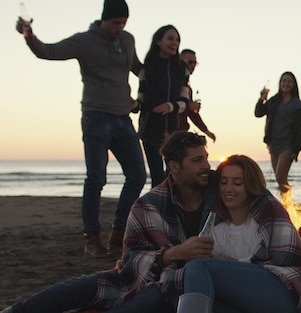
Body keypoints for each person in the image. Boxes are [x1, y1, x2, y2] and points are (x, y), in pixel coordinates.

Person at [1, 131, 216, 313]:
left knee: (155, 294)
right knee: (80, 287)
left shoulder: (222, 193)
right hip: (144, 277)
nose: (206, 166)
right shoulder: (149, 205)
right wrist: (176, 253)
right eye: (197, 160)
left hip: (178, 285)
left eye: (206, 158)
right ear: (175, 167)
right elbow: (131, 260)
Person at [15, 0, 146, 258]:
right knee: (96, 178)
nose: (120, 27)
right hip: (96, 117)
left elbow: (139, 68)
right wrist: (29, 35)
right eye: (116, 23)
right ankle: (92, 240)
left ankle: (118, 235)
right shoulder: (84, 41)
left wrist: (141, 96)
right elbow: (47, 51)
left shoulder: (128, 39)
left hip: (123, 118)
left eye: (124, 23)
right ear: (104, 20)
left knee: (138, 175)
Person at [177, 154, 301, 313]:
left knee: (199, 267)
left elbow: (288, 256)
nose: (228, 189)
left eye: (237, 183)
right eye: (223, 182)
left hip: (283, 293)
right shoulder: (216, 231)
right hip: (246, 300)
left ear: (250, 186)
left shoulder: (268, 216)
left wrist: (232, 264)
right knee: (212, 304)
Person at [137, 25, 190, 188]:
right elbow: (142, 97)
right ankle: (158, 211)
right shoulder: (148, 67)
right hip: (151, 129)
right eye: (170, 38)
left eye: (177, 40)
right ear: (158, 41)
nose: (174, 43)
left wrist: (171, 106)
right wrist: (134, 105)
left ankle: (173, 211)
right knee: (157, 177)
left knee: (174, 175)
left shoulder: (182, 68)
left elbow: (185, 100)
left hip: (174, 131)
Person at [254, 72, 301, 194]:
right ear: (280, 83)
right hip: (274, 143)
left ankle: (288, 207)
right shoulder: (274, 101)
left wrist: (297, 148)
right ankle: (286, 207)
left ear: (294, 85)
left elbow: (300, 127)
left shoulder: (296, 104)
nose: (286, 84)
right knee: (281, 180)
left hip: (288, 144)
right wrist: (262, 98)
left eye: (289, 81)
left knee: (280, 177)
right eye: (284, 81)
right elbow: (258, 113)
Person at [179, 48, 217, 142]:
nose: (192, 66)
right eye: (190, 62)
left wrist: (206, 131)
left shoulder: (187, 86)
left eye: (195, 63)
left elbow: (192, 114)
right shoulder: (171, 81)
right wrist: (189, 106)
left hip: (180, 132)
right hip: (167, 133)